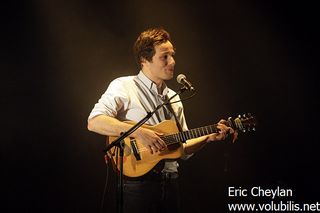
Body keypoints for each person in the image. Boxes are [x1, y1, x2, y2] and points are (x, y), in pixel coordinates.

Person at [87, 27, 237, 213]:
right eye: (164, 57)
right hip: (137, 186)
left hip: (171, 183)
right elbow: (94, 121)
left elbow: (182, 148)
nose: (172, 62)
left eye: (172, 55)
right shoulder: (123, 86)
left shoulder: (174, 98)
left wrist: (208, 137)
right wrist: (139, 132)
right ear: (144, 59)